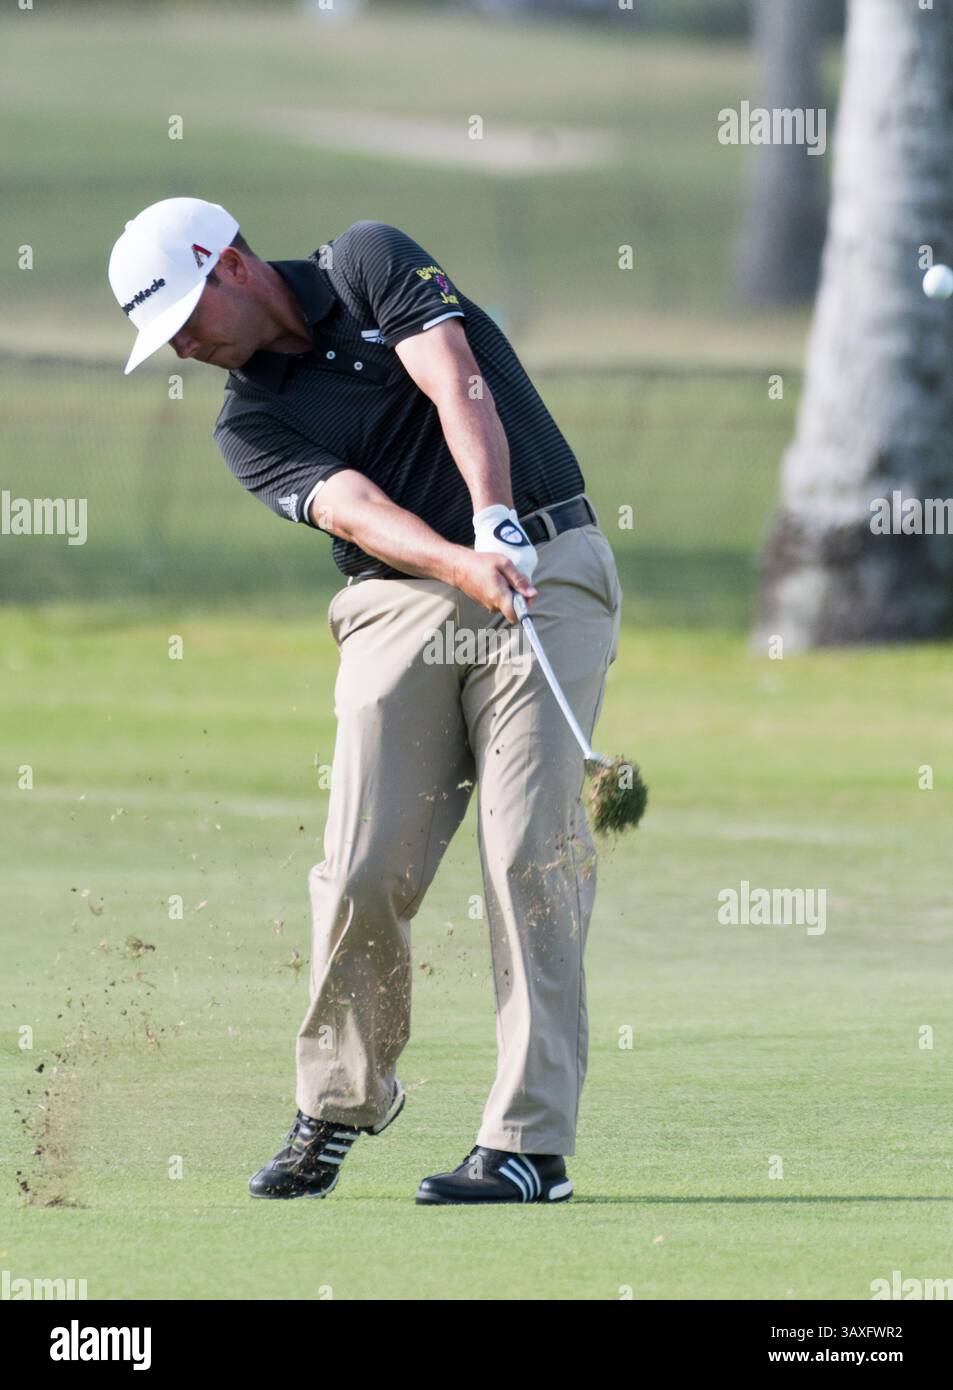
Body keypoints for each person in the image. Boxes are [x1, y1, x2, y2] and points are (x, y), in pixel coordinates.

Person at [108, 197, 622, 1205]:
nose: (184, 349)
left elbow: (452, 375)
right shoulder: (248, 421)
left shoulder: (366, 262)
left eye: (185, 320)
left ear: (229, 264)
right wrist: (456, 558)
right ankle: (338, 1102)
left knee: (529, 852)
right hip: (398, 601)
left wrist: (492, 516)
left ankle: (527, 1141)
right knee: (359, 867)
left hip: (544, 560)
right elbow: (354, 508)